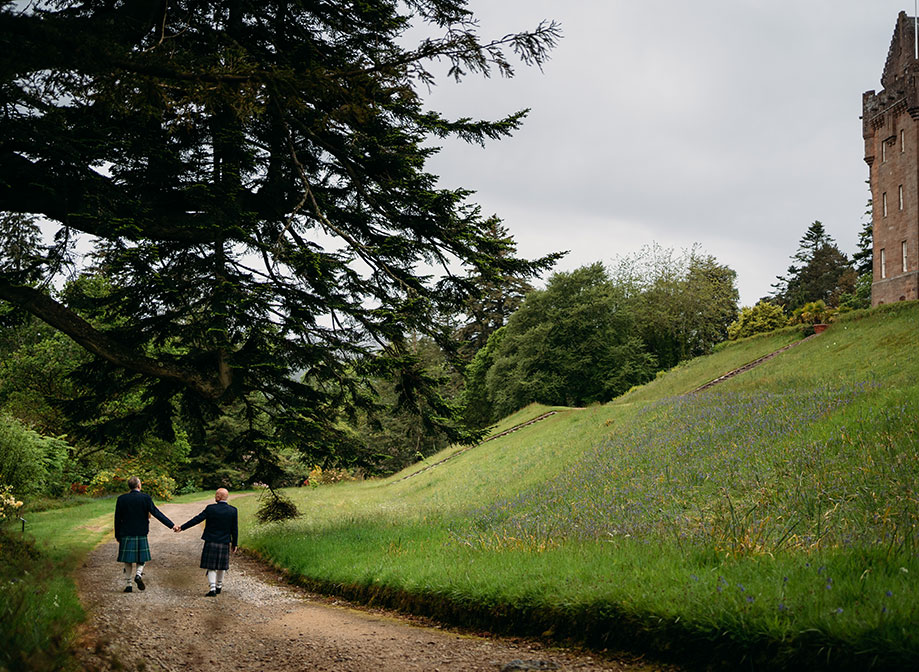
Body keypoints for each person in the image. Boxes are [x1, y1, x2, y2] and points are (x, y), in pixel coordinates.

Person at [114, 476, 175, 593]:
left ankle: (129, 585)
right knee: (142, 557)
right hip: (141, 532)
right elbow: (156, 513)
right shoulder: (145, 498)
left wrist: (117, 535)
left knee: (127, 560)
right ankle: (138, 574)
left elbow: (117, 518)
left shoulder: (121, 499)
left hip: (126, 533)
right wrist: (171, 525)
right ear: (139, 486)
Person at [176, 488, 238, 596]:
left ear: (218, 497)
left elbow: (197, 519)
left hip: (211, 541)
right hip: (224, 542)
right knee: (221, 566)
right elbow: (234, 529)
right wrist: (234, 543)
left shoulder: (210, 509)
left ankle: (212, 589)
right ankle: (219, 586)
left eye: (216, 495)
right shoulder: (233, 510)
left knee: (211, 566)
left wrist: (182, 527)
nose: (215, 497)